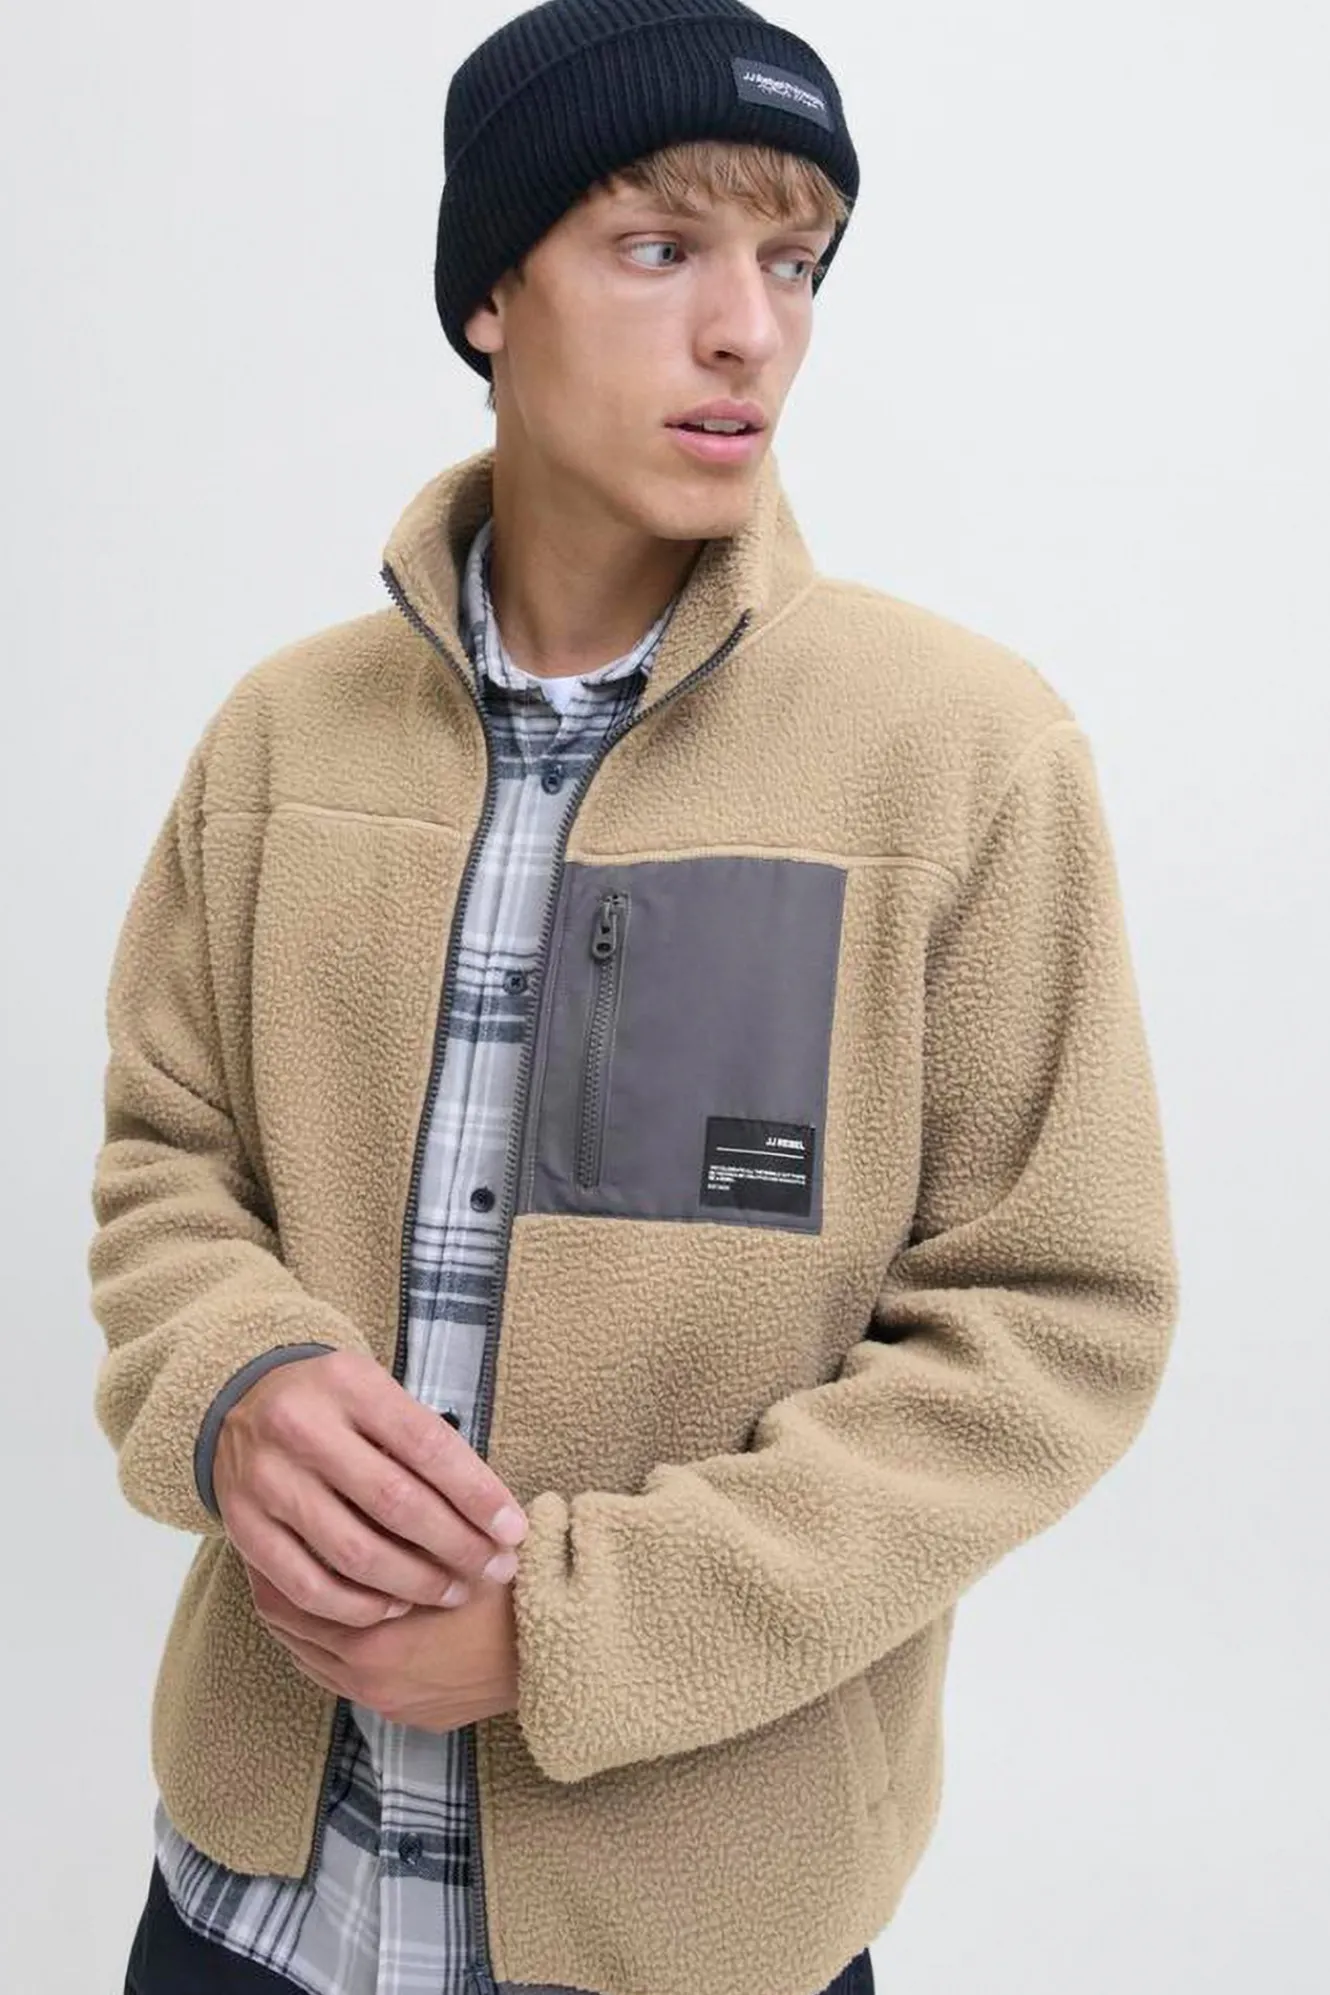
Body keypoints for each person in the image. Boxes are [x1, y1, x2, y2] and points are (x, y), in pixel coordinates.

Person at [89, 3, 1180, 1993]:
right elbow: (168, 1161)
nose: (747, 330)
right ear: (490, 293)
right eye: (660, 247)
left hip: (690, 1934)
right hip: (250, 1900)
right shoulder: (279, 740)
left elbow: (1050, 1326)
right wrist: (235, 1384)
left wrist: (569, 1626)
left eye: (795, 262)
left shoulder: (958, 758)